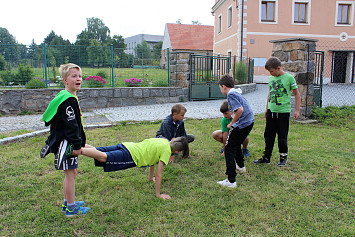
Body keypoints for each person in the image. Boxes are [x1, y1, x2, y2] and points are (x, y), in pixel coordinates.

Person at [40, 63, 90, 217]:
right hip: (67, 144)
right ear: (65, 80)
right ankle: (71, 208)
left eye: (80, 76)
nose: (78, 79)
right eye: (74, 76)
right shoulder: (68, 100)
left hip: (66, 142)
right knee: (70, 174)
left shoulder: (65, 96)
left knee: (72, 172)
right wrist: (76, 144)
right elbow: (71, 125)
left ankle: (67, 202)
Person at [81, 137, 189, 200]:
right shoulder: (166, 152)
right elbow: (159, 174)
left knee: (99, 150)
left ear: (173, 139)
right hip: (131, 156)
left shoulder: (163, 140)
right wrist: (158, 194)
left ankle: (76, 144)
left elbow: (153, 161)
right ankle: (75, 151)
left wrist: (151, 178)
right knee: (104, 157)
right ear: (176, 152)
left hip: (127, 146)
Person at [254, 57, 300, 167]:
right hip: (271, 111)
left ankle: (283, 157)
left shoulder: (289, 78)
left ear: (278, 68)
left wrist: (297, 110)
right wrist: (267, 109)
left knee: (282, 136)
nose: (270, 73)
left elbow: (297, 94)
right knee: (268, 135)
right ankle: (266, 156)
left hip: (283, 112)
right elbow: (270, 94)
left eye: (271, 71)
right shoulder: (271, 79)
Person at [217, 75, 254, 188]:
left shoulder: (231, 94)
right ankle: (241, 167)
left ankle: (231, 180)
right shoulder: (236, 92)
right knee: (236, 143)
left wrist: (231, 123)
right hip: (249, 122)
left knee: (228, 149)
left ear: (223, 87)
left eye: (220, 87)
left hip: (242, 124)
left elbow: (240, 110)